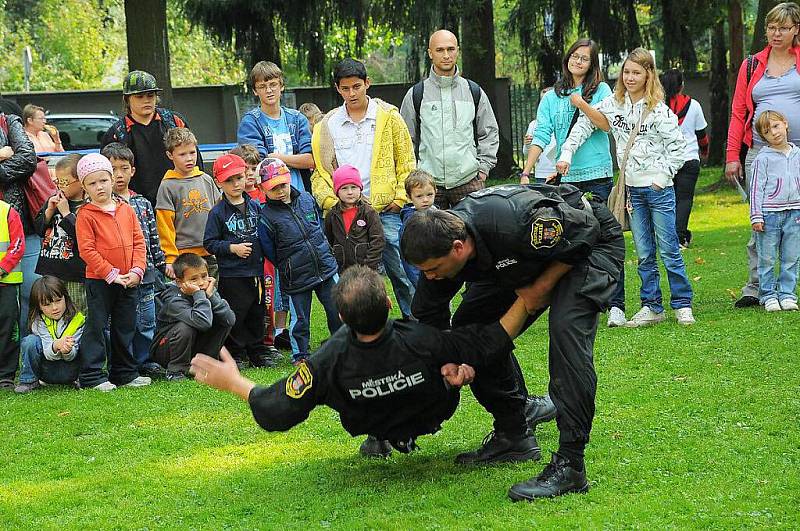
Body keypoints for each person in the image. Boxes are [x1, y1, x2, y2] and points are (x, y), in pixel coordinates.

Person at [402, 183, 624, 499]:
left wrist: (539, 289)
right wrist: (450, 359)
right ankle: (513, 434)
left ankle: (571, 465)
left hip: (585, 246)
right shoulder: (437, 252)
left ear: (458, 247)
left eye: (434, 269)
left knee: (566, 334)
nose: (431, 277)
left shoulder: (513, 222)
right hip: (523, 260)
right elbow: (430, 315)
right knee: (472, 327)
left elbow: (587, 228)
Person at [191, 265, 539, 462]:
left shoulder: (326, 359)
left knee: (337, 385)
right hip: (430, 413)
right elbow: (489, 341)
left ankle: (379, 438)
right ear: (389, 303)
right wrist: (527, 301)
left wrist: (234, 381)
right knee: (463, 357)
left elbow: (277, 409)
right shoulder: (422, 338)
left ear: (341, 315)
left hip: (371, 418)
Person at [558, 48, 694, 328]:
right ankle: (651, 305)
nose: (630, 78)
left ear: (648, 75)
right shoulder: (614, 103)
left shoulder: (658, 109)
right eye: (627, 72)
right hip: (632, 190)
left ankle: (682, 303)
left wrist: (662, 176)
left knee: (669, 249)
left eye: (637, 72)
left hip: (658, 190)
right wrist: (566, 154)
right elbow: (586, 124)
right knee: (643, 251)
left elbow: (679, 148)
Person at [520, 39, 626, 328]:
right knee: (566, 241)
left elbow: (606, 124)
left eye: (585, 59)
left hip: (597, 173)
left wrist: (581, 104)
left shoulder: (602, 90)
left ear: (592, 64)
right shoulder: (552, 97)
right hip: (564, 178)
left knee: (606, 239)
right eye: (575, 57)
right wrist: (527, 170)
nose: (578, 62)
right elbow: (541, 133)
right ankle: (575, 301)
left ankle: (616, 303)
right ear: (567, 59)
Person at [311, 58, 416, 319]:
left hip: (387, 210)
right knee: (351, 279)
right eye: (345, 89)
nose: (352, 94)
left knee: (403, 272)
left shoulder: (388, 117)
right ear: (337, 88)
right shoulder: (327, 125)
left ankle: (416, 324)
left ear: (367, 83)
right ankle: (360, 331)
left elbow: (406, 160)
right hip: (347, 212)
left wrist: (400, 198)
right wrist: (329, 202)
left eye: (357, 87)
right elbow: (320, 172)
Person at [726, 2, 800, 309]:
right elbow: (738, 110)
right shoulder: (752, 65)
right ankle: (757, 286)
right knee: (762, 220)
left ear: (796, 29)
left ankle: (787, 288)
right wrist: (732, 155)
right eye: (771, 27)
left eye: (783, 28)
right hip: (760, 152)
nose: (776, 33)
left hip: (797, 153)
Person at [74, 153, 150, 391]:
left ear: (111, 179)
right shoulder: (85, 215)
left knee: (125, 326)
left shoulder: (126, 209)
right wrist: (111, 274)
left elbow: (139, 241)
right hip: (100, 281)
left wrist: (137, 270)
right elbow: (87, 250)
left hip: (129, 280)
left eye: (103, 180)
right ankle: (92, 375)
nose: (99, 187)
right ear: (84, 187)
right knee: (96, 326)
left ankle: (124, 373)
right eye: (92, 183)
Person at [400, 29, 499, 208]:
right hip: (427, 185)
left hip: (469, 181)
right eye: (439, 50)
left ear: (458, 51)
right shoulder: (416, 94)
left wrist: (483, 169)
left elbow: (489, 132)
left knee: (473, 234)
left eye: (450, 49)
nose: (446, 55)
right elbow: (405, 140)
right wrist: (413, 174)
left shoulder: (473, 91)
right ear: (430, 53)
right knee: (431, 235)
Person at [258, 159, 342, 365]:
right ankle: (301, 355)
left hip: (325, 266)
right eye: (273, 188)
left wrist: (324, 252)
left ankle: (344, 344)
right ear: (263, 189)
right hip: (295, 275)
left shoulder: (306, 198)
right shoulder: (266, 217)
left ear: (289, 180)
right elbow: (269, 249)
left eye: (282, 185)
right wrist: (287, 265)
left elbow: (318, 228)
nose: (280, 191)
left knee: (337, 309)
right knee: (300, 319)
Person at [204, 153, 277, 369]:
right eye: (229, 180)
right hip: (232, 273)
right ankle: (235, 352)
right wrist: (231, 248)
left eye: (239, 177)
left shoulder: (256, 206)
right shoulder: (217, 212)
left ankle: (257, 351)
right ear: (219, 182)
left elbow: (266, 235)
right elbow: (209, 242)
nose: (236, 184)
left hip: (256, 271)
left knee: (257, 311)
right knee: (235, 313)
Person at [102, 142, 167, 378]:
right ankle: (121, 364)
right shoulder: (100, 206)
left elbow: (153, 238)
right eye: (113, 169)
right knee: (118, 323)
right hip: (116, 275)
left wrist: (161, 265)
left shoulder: (142, 203)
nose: (119, 174)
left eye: (123, 168)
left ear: (133, 170)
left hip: (146, 272)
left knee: (147, 320)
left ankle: (144, 361)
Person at [101, 70, 197, 207]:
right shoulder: (116, 133)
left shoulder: (175, 121)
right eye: (139, 96)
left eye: (150, 95)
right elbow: (106, 174)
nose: (146, 100)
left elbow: (195, 158)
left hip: (181, 199)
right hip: (136, 205)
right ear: (127, 99)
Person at [230, 144, 285, 355]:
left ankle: (269, 339)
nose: (249, 174)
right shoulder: (231, 199)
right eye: (245, 170)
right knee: (247, 302)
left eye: (253, 169)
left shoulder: (264, 193)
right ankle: (244, 343)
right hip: (242, 261)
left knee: (270, 297)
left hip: (267, 256)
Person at [152, 253, 235, 380]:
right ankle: (176, 371)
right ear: (179, 282)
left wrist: (211, 297)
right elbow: (202, 322)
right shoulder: (173, 298)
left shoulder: (207, 289)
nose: (201, 283)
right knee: (186, 326)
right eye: (194, 279)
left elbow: (230, 320)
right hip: (165, 350)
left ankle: (206, 366)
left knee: (222, 319)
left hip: (192, 344)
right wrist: (199, 294)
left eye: (204, 276)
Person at [749, 111, 800, 311]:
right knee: (767, 257)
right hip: (769, 215)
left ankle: (787, 294)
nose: (774, 133)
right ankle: (768, 295)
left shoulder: (797, 155)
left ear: (785, 124)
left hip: (795, 213)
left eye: (776, 126)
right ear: (764, 137)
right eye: (767, 131)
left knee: (791, 256)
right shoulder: (762, 159)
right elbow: (755, 190)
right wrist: (756, 216)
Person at [237, 61, 314, 193]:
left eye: (273, 84)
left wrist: (276, 157)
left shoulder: (297, 118)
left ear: (281, 86)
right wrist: (295, 160)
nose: (269, 90)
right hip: (267, 197)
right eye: (262, 86)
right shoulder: (250, 122)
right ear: (255, 91)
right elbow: (258, 162)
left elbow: (310, 160)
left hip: (301, 193)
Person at [155, 127, 221, 280]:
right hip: (184, 256)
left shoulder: (206, 179)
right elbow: (165, 226)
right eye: (182, 154)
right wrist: (170, 258)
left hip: (211, 251)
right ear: (170, 155)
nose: (189, 158)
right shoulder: (167, 185)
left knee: (213, 295)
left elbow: (218, 213)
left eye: (192, 152)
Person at [661, 69, 709, 249]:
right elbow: (701, 134)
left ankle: (666, 236)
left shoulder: (658, 106)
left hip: (665, 160)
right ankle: (680, 237)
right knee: (684, 199)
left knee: (666, 199)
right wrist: (704, 151)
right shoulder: (694, 105)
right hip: (689, 158)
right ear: (681, 85)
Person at [0, 110, 37, 334]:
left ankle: (25, 348)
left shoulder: (8, 121)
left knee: (28, 291)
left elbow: (27, 159)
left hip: (17, 220)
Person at [14, 276, 84, 393]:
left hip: (72, 370)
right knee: (29, 341)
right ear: (39, 307)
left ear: (65, 298)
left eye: (58, 301)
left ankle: (85, 378)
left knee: (90, 338)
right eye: (47, 304)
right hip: (46, 371)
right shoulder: (38, 321)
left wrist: (67, 350)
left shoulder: (77, 319)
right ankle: (28, 381)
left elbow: (73, 355)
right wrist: (56, 346)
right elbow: (48, 354)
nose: (55, 308)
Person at [323, 164, 385, 273]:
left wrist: (369, 266)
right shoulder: (331, 216)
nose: (350, 192)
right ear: (336, 191)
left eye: (354, 187)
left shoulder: (369, 213)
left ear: (360, 188)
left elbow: (378, 240)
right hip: (342, 270)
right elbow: (329, 242)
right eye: (344, 188)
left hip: (367, 270)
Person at [0, 197, 24, 390]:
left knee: (9, 329)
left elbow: (17, 244)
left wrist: (3, 268)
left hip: (6, 283)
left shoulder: (8, 211)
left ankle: (6, 375)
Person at [399, 169, 437, 287]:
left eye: (429, 194)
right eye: (419, 196)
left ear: (436, 191)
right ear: (409, 197)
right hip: (421, 274)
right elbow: (407, 256)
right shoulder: (410, 223)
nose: (425, 200)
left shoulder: (438, 214)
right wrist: (417, 280)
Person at [522, 88, 558, 183]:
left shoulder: (562, 123)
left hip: (559, 170)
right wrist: (527, 144)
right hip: (541, 173)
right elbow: (526, 152)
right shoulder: (534, 124)